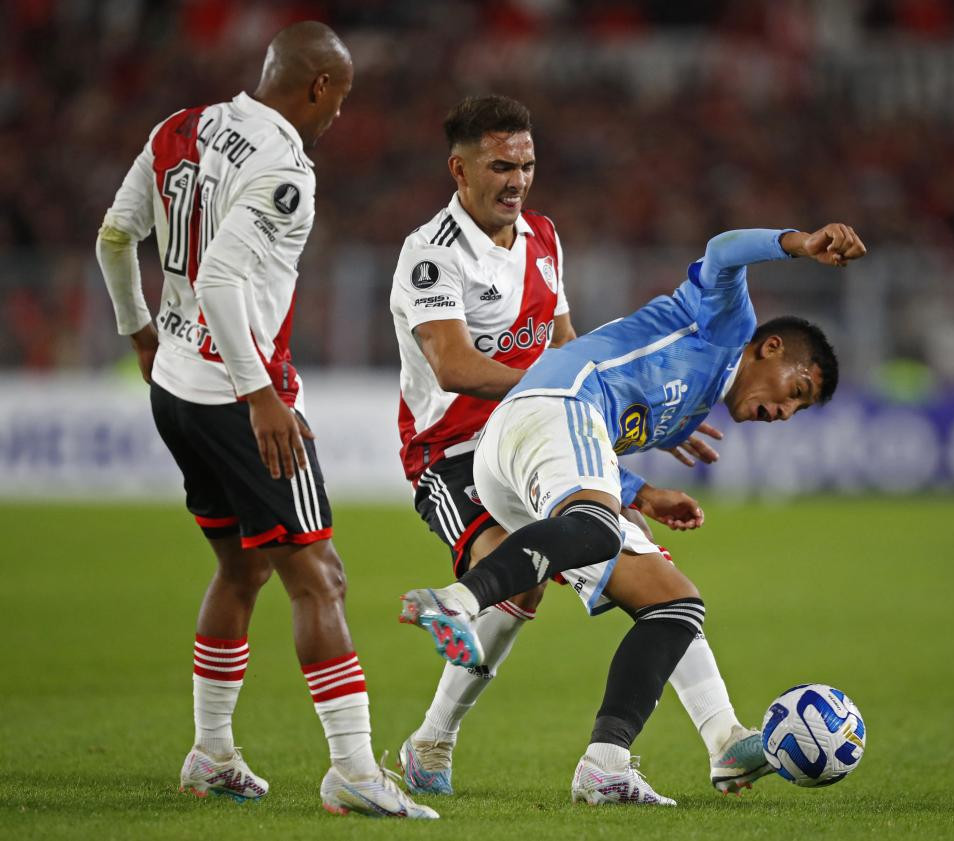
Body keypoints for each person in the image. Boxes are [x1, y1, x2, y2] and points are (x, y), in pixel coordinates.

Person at [94, 21, 436, 820]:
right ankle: (352, 768)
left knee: (241, 568)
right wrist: (259, 394)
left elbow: (115, 234)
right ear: (318, 87)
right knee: (321, 576)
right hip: (233, 397)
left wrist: (137, 329)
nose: (340, 115)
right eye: (341, 99)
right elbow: (220, 280)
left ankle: (211, 753)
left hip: (174, 388)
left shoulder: (182, 126)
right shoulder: (285, 165)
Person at [400, 223, 865, 804]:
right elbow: (722, 251)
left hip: (523, 448)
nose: (785, 411)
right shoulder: (728, 327)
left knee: (673, 603)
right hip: (547, 408)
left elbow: (585, 460)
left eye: (799, 409)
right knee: (592, 531)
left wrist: (641, 494)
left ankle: (629, 758)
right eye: (795, 390)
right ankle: (460, 601)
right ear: (770, 349)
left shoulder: (687, 411)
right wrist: (799, 243)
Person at [389, 95, 767, 798]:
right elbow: (453, 365)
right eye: (501, 166)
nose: (517, 180)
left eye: (527, 165)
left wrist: (628, 450)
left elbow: (573, 353)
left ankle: (724, 737)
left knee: (659, 584)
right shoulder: (431, 255)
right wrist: (553, 386)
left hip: (550, 436)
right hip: (453, 450)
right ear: (460, 169)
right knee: (520, 576)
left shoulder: (544, 238)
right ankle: (433, 739)